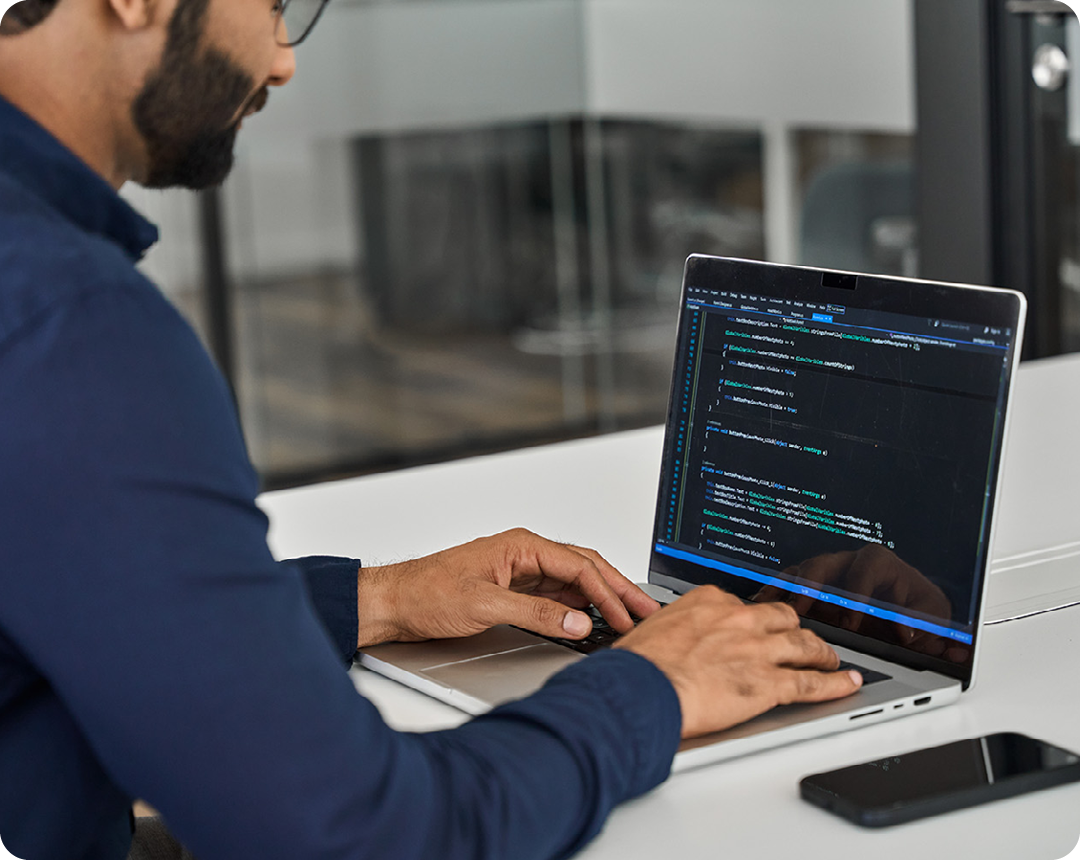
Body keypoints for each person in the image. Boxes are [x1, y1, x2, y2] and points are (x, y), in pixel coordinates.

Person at [0, 0, 863, 856]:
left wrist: (377, 600)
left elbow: (63, 605)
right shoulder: (69, 328)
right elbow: (357, 836)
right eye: (271, 5)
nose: (282, 61)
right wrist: (652, 687)